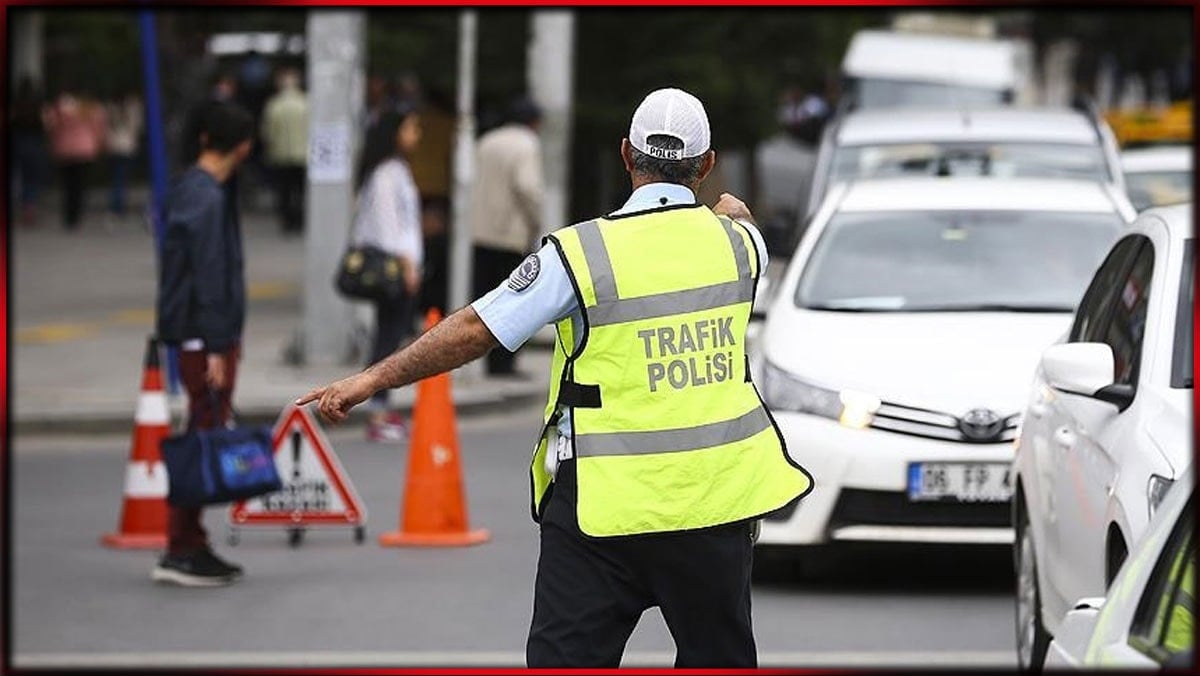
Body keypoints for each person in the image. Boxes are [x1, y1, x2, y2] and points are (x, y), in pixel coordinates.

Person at [296, 87, 814, 667]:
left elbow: (476, 328)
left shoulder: (580, 254)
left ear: (626, 154)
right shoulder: (741, 247)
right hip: (714, 506)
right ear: (708, 164)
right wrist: (732, 213)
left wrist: (371, 380)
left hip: (601, 509)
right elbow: (739, 221)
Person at [153, 102, 255, 586]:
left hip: (199, 334)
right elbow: (209, 275)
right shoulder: (207, 197)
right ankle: (182, 547)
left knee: (203, 429)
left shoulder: (193, 189)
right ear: (243, 146)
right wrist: (217, 345)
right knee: (202, 435)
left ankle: (189, 541)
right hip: (203, 337)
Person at [350, 105, 424, 443]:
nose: (416, 135)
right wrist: (407, 266)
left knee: (391, 335)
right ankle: (377, 410)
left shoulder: (397, 169)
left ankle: (381, 406)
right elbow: (388, 227)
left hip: (403, 265)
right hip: (394, 268)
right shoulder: (385, 174)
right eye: (410, 128)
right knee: (387, 338)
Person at [467, 95, 544, 377]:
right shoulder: (527, 144)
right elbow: (527, 186)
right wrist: (536, 220)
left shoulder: (486, 141)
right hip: (511, 234)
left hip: (480, 231)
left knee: (485, 300)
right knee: (513, 301)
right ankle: (504, 364)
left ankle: (487, 360)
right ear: (533, 122)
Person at [43, 85, 106, 230]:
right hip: (85, 150)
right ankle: (77, 216)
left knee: (67, 185)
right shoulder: (90, 108)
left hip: (64, 150)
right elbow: (98, 129)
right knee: (80, 185)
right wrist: (98, 146)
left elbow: (51, 126)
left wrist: (52, 144)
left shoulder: (60, 107)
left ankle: (68, 216)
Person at [261, 69, 309, 235]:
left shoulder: (274, 105)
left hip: (281, 154)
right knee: (301, 190)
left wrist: (270, 149)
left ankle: (288, 220)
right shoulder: (306, 103)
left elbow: (268, 132)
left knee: (285, 190)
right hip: (303, 154)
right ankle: (300, 219)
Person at [10, 74, 48, 227]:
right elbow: (44, 124)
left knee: (17, 176)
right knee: (31, 178)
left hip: (17, 141)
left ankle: (21, 206)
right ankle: (29, 208)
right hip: (34, 142)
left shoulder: (15, 103)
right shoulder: (37, 104)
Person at [104, 86, 144, 221]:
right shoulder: (132, 108)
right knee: (122, 177)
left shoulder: (110, 108)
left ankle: (117, 204)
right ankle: (119, 204)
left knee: (117, 177)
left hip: (113, 145)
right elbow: (137, 126)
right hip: (127, 146)